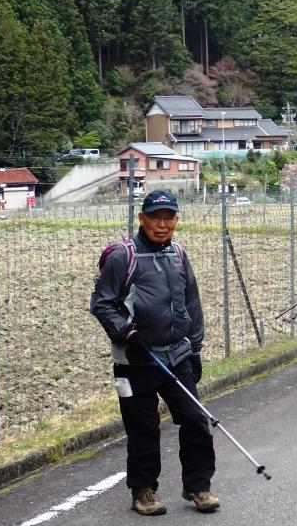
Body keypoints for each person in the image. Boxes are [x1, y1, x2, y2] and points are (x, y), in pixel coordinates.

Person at [90, 190, 219, 516]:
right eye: (155, 217)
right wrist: (128, 334)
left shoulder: (178, 254)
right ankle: (143, 491)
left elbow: (192, 302)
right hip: (134, 361)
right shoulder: (123, 256)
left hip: (176, 356)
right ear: (142, 218)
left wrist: (195, 348)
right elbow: (102, 304)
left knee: (195, 420)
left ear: (176, 220)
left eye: (169, 217)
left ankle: (198, 486)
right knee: (143, 428)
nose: (162, 225)